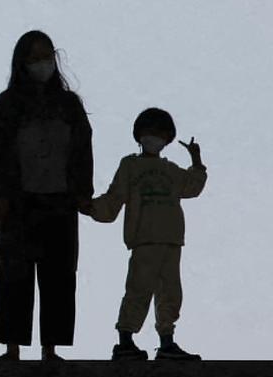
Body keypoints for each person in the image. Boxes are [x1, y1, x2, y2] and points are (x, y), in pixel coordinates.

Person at [0, 29, 92, 360]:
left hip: (60, 201)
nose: (41, 64)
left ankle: (51, 347)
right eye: (34, 58)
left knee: (59, 277)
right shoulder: (7, 105)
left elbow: (83, 152)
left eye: (46, 56)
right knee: (14, 276)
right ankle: (12, 345)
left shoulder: (69, 105)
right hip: (18, 202)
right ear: (21, 63)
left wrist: (82, 192)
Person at [85, 106, 208, 360]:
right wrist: (90, 207)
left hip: (171, 239)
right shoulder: (130, 166)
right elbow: (115, 197)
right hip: (144, 239)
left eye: (161, 134)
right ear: (139, 135)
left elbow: (192, 187)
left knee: (171, 292)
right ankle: (125, 340)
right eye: (151, 132)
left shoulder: (171, 170)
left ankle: (166, 341)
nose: (155, 138)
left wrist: (196, 161)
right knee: (139, 288)